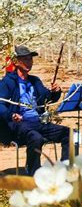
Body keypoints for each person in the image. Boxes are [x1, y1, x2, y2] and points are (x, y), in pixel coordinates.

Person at [0, 45, 69, 175]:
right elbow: (0, 104)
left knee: (70, 134)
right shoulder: (8, 82)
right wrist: (11, 115)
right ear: (16, 62)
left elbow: (46, 98)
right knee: (35, 137)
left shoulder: (34, 81)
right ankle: (33, 173)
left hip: (38, 122)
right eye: (25, 59)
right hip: (18, 124)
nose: (29, 63)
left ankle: (65, 170)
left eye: (30, 59)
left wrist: (55, 92)